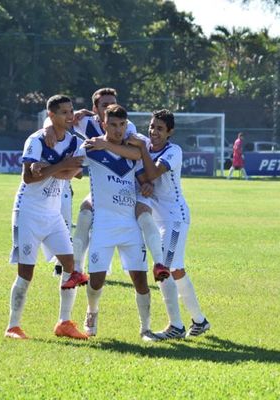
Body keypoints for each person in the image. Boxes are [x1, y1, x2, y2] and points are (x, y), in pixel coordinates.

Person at [45, 88, 169, 281]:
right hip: (104, 185)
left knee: (144, 215)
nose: (109, 108)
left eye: (112, 103)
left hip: (131, 185)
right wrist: (48, 129)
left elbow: (135, 155)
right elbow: (55, 117)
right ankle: (76, 269)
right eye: (104, 105)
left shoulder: (126, 127)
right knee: (85, 213)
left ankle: (159, 264)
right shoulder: (85, 122)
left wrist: (145, 182)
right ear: (95, 109)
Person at [5, 94, 89, 340]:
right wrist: (62, 165)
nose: (70, 116)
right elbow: (29, 177)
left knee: (71, 267)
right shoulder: (36, 140)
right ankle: (13, 326)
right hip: (28, 213)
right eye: (64, 112)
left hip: (53, 215)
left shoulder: (73, 141)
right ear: (50, 115)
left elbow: (77, 174)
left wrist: (54, 168)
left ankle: (64, 322)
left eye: (71, 111)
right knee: (26, 274)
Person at [73, 104, 156, 340]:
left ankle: (146, 328)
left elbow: (139, 164)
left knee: (140, 279)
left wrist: (146, 184)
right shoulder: (90, 147)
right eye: (113, 125)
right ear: (103, 124)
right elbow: (74, 165)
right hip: (103, 225)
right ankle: (91, 312)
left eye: (122, 125)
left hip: (129, 224)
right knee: (97, 280)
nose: (118, 129)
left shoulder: (130, 149)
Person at [128, 109, 211, 340]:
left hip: (175, 218)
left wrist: (143, 153)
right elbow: (142, 176)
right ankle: (200, 321)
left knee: (162, 268)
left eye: (160, 129)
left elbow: (153, 172)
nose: (153, 132)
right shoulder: (145, 145)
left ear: (170, 132)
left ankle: (175, 326)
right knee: (176, 270)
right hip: (158, 217)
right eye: (152, 127)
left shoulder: (173, 151)